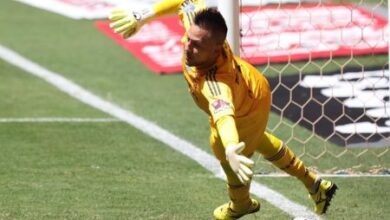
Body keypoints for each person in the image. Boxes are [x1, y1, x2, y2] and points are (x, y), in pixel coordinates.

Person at [108, 0, 338, 219]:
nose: (188, 47)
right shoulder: (198, 28)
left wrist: (229, 148)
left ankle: (241, 205)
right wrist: (142, 17)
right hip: (252, 84)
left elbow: (224, 116)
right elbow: (185, 2)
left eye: (197, 46)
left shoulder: (216, 83)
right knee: (255, 139)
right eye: (189, 39)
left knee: (222, 143)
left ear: (217, 51)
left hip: (246, 107)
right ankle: (315, 185)